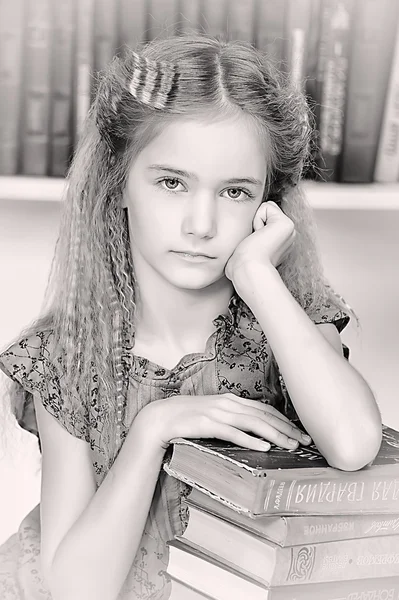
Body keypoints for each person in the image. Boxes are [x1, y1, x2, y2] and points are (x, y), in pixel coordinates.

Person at [0, 33, 382, 600]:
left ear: (266, 205)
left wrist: (258, 277)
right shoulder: (66, 355)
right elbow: (78, 589)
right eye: (172, 183)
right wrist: (155, 427)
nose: (200, 224)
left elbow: (353, 444)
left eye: (234, 191)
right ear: (119, 183)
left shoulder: (288, 319)